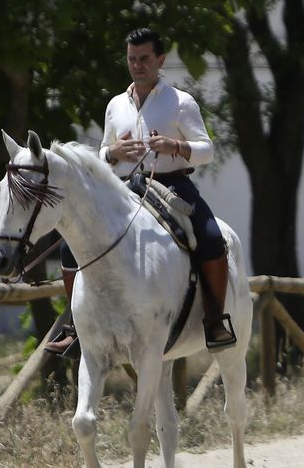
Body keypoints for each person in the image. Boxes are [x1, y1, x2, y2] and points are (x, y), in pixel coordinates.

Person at [45, 27, 238, 355]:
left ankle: (216, 319)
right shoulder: (115, 105)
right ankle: (78, 326)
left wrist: (176, 145)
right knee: (68, 247)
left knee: (209, 236)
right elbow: (101, 156)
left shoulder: (181, 102)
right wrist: (113, 153)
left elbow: (208, 150)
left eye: (145, 58)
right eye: (132, 59)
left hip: (172, 184)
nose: (138, 65)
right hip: (122, 190)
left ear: (160, 60)